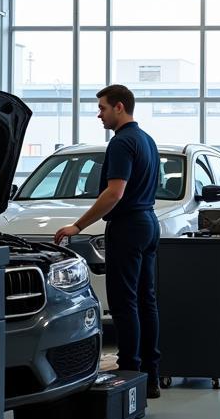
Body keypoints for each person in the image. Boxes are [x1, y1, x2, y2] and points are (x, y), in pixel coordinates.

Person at [54, 84, 163, 399]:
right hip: (148, 223)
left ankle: (129, 371)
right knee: (146, 301)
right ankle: (150, 376)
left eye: (102, 107)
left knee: (124, 302)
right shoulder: (147, 141)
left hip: (128, 226)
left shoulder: (121, 143)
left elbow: (114, 192)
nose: (98, 114)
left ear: (119, 107)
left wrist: (78, 225)